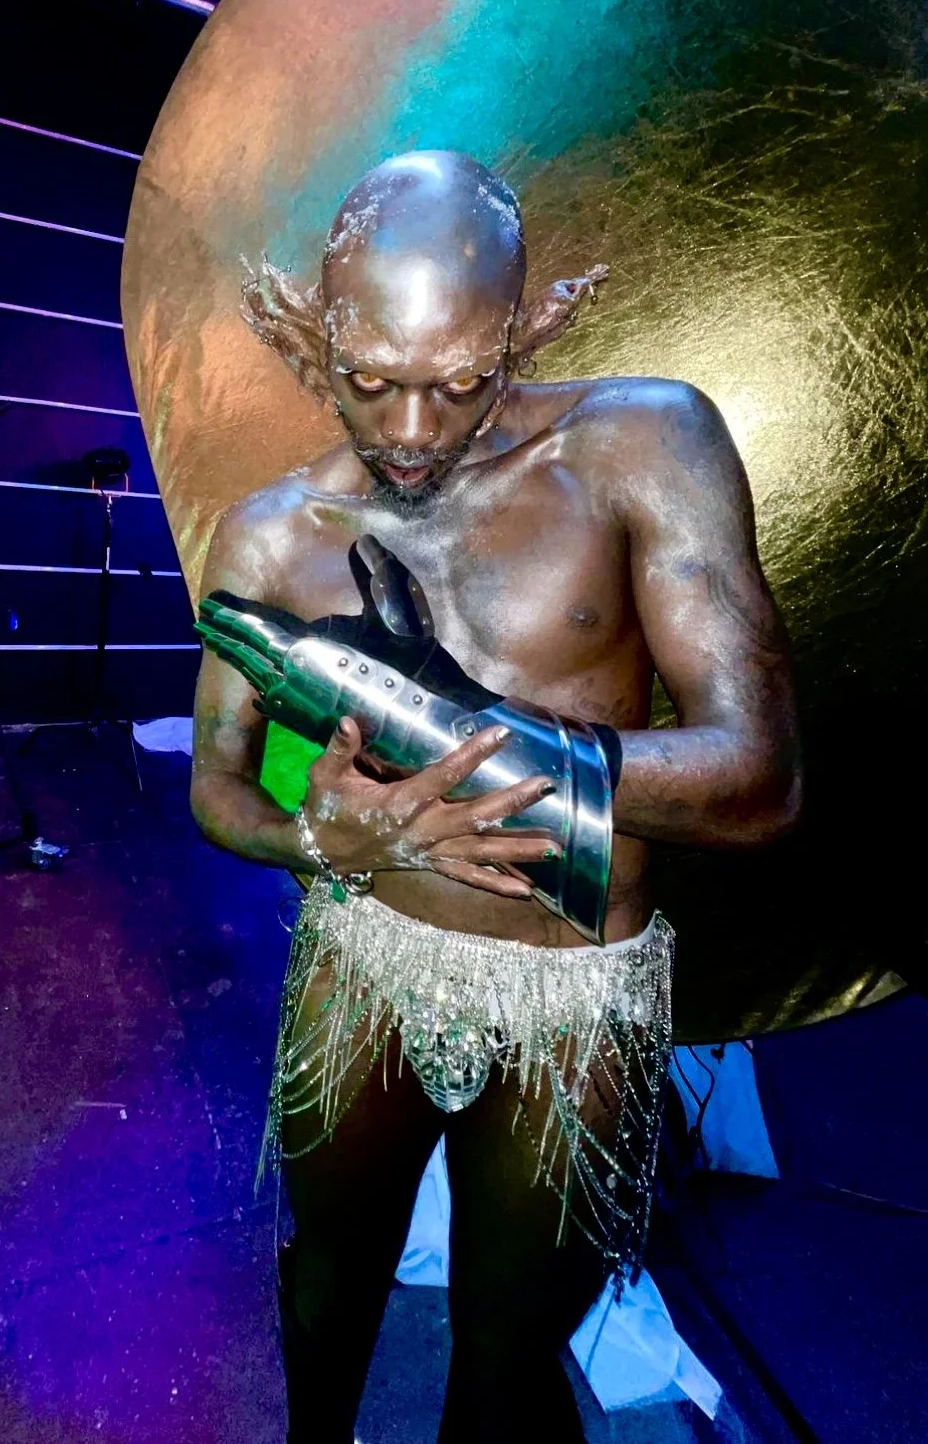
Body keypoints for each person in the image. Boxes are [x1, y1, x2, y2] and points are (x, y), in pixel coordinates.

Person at [189, 150, 801, 1442]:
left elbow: (760, 782)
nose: (415, 433)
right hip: (363, 955)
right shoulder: (269, 532)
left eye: (463, 381)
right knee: (328, 1279)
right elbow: (215, 788)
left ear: (527, 327)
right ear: (311, 333)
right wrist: (317, 836)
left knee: (511, 1346)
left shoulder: (647, 438)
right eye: (371, 382)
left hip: (579, 992)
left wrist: (467, 726)